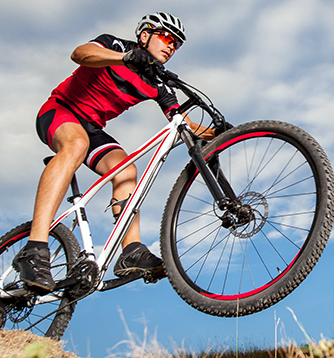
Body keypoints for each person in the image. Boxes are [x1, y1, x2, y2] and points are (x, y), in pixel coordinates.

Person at [13, 12, 217, 294]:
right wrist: (123, 58)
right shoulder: (117, 47)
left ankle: (131, 251)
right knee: (76, 146)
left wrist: (219, 133)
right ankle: (34, 248)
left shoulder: (158, 82)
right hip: (60, 111)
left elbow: (182, 123)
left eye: (177, 44)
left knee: (127, 170)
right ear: (145, 35)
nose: (171, 46)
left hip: (92, 129)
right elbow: (80, 54)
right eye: (167, 37)